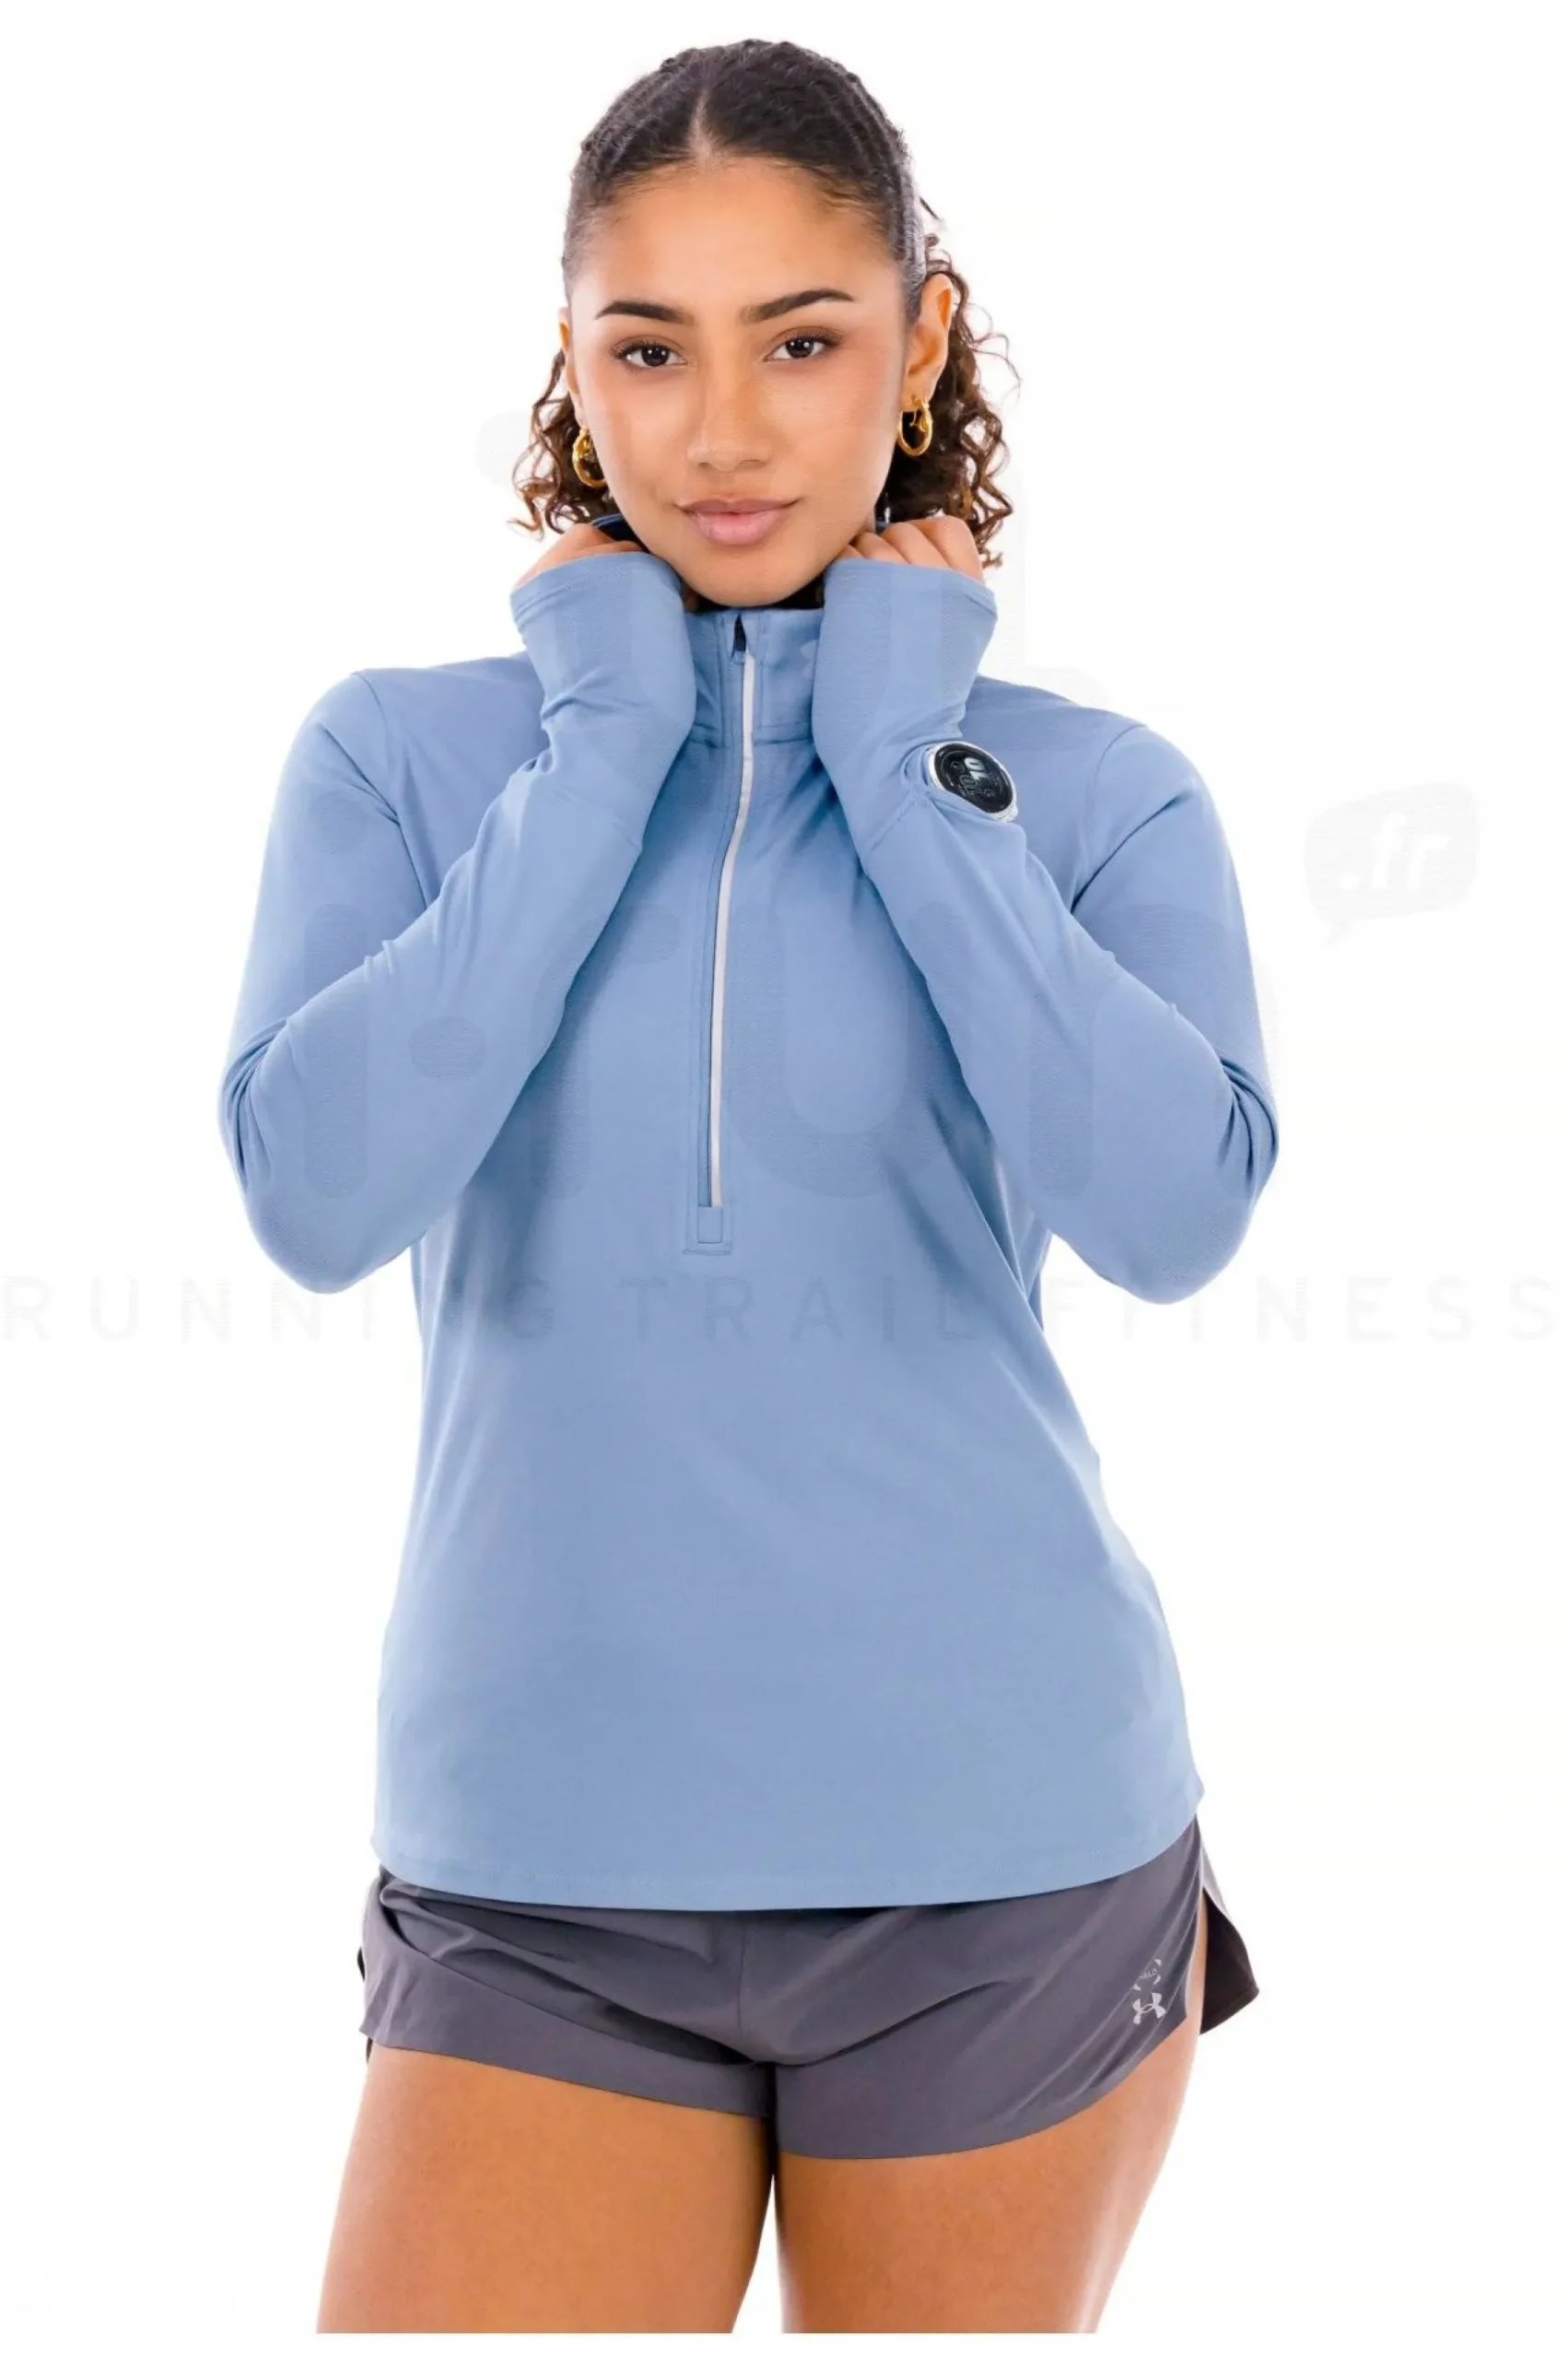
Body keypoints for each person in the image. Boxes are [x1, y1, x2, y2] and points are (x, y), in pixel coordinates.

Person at [216, 37, 1280, 2334]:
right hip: (539, 1866)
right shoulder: (407, 758)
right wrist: (604, 737)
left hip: (1000, 1856)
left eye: (798, 342)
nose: (718, 430)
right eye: (647, 348)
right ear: (569, 359)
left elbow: (1171, 1213)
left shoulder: (1086, 790)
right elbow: (315, 1192)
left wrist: (900, 759)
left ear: (920, 338)